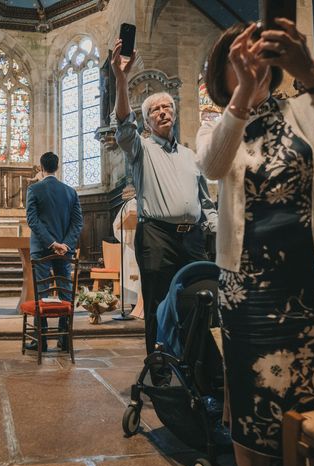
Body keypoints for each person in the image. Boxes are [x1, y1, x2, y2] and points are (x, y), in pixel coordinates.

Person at [197, 20, 314, 466]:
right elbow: (212, 165)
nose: (249, 63)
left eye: (257, 53)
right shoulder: (214, 124)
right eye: (236, 59)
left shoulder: (307, 106)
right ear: (219, 75)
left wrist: (313, 73)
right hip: (251, 292)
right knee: (255, 407)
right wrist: (243, 94)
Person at [111, 39, 217, 354]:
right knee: (157, 304)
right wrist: (121, 78)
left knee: (200, 298)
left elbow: (206, 202)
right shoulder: (140, 149)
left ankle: (194, 363)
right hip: (157, 237)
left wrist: (214, 227)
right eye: (155, 110)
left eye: (166, 107)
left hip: (193, 239)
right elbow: (123, 126)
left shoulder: (190, 155)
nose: (162, 112)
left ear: (174, 114)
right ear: (147, 120)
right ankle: (159, 368)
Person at [25, 152, 83, 351]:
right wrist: (64, 244)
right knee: (65, 292)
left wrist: (51, 243)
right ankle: (65, 340)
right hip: (65, 252)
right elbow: (78, 222)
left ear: (41, 167)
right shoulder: (70, 192)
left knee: (42, 292)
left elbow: (33, 220)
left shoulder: (34, 189)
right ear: (57, 167)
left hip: (42, 250)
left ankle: (40, 342)